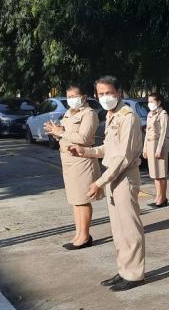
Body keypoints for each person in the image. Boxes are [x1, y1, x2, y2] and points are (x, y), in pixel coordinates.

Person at [68, 76, 145, 292]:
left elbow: (124, 157)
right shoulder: (112, 115)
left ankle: (134, 274)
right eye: (100, 94)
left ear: (119, 92)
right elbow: (108, 149)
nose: (105, 97)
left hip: (124, 177)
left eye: (109, 92)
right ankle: (123, 270)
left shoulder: (128, 116)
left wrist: (99, 182)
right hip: (112, 177)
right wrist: (86, 151)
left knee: (129, 228)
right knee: (118, 229)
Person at [44, 84, 101, 250]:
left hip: (81, 160)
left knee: (82, 200)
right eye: (68, 97)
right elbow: (64, 135)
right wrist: (55, 132)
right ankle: (79, 233)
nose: (71, 100)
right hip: (67, 158)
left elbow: (83, 138)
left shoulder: (89, 114)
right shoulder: (69, 113)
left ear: (84, 97)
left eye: (74, 96)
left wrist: (61, 132)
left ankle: (84, 236)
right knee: (74, 200)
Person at [144, 93, 169, 208]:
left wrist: (159, 149)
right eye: (149, 101)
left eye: (152, 101)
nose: (150, 104)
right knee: (154, 173)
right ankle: (158, 196)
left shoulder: (163, 114)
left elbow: (163, 133)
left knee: (161, 173)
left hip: (158, 144)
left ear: (158, 102)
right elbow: (147, 132)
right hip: (150, 144)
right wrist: (144, 148)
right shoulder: (150, 114)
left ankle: (162, 197)